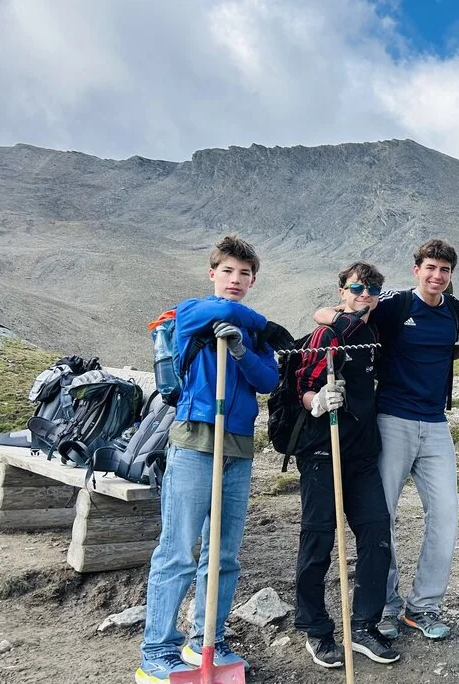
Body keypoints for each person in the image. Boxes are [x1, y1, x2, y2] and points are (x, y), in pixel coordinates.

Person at [314, 239, 459, 642]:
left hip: (435, 423)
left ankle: (423, 606)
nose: (437, 276)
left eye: (444, 270)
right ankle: (387, 606)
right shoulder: (396, 304)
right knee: (384, 516)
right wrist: (334, 317)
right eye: (431, 267)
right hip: (392, 417)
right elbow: (329, 312)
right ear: (417, 270)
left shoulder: (453, 308)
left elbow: (443, 354)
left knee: (446, 515)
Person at [137, 235, 279, 684]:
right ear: (212, 273)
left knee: (223, 555)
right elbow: (221, 310)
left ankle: (206, 640)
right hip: (196, 442)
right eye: (228, 271)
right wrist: (257, 321)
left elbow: (269, 379)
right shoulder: (191, 311)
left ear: (253, 279)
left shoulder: (253, 336)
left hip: (237, 446)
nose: (235, 280)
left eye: (244, 274)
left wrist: (241, 348)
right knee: (178, 551)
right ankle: (157, 650)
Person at [293, 262, 399, 668]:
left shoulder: (373, 333)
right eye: (357, 286)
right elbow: (302, 384)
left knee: (377, 537)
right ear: (342, 290)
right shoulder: (328, 333)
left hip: (362, 455)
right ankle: (316, 629)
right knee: (318, 541)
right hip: (323, 452)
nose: (365, 293)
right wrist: (315, 401)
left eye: (372, 287)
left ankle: (363, 625)